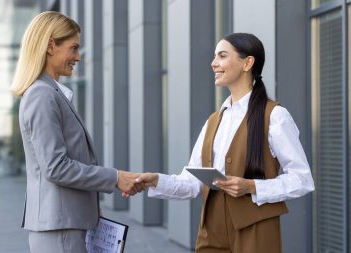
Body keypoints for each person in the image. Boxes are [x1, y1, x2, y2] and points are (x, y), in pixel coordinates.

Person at [135, 33, 315, 253]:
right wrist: (155, 181)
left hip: (255, 231)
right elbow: (191, 183)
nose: (213, 63)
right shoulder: (214, 120)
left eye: (222, 56)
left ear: (248, 63)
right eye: (214, 56)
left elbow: (302, 179)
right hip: (211, 231)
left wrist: (253, 186)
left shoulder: (275, 115)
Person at [11, 11, 144, 253]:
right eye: (73, 48)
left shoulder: (52, 92)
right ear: (51, 46)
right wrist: (116, 177)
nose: (78, 57)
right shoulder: (42, 95)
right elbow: (56, 167)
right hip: (59, 230)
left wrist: (89, 207)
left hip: (66, 224)